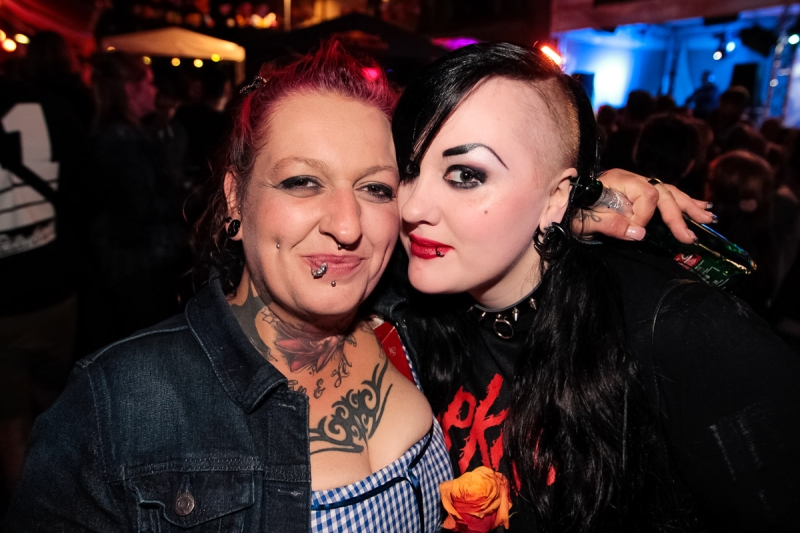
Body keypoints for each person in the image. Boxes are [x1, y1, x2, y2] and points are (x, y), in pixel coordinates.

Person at [5, 43, 452, 533]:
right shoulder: (113, 408)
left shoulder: (423, 330)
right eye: (303, 182)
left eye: (376, 188)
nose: (347, 226)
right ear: (236, 198)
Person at [381, 42, 800, 532]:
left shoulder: (679, 330)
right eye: (408, 170)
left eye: (465, 175)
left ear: (558, 195)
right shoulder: (409, 309)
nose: (413, 208)